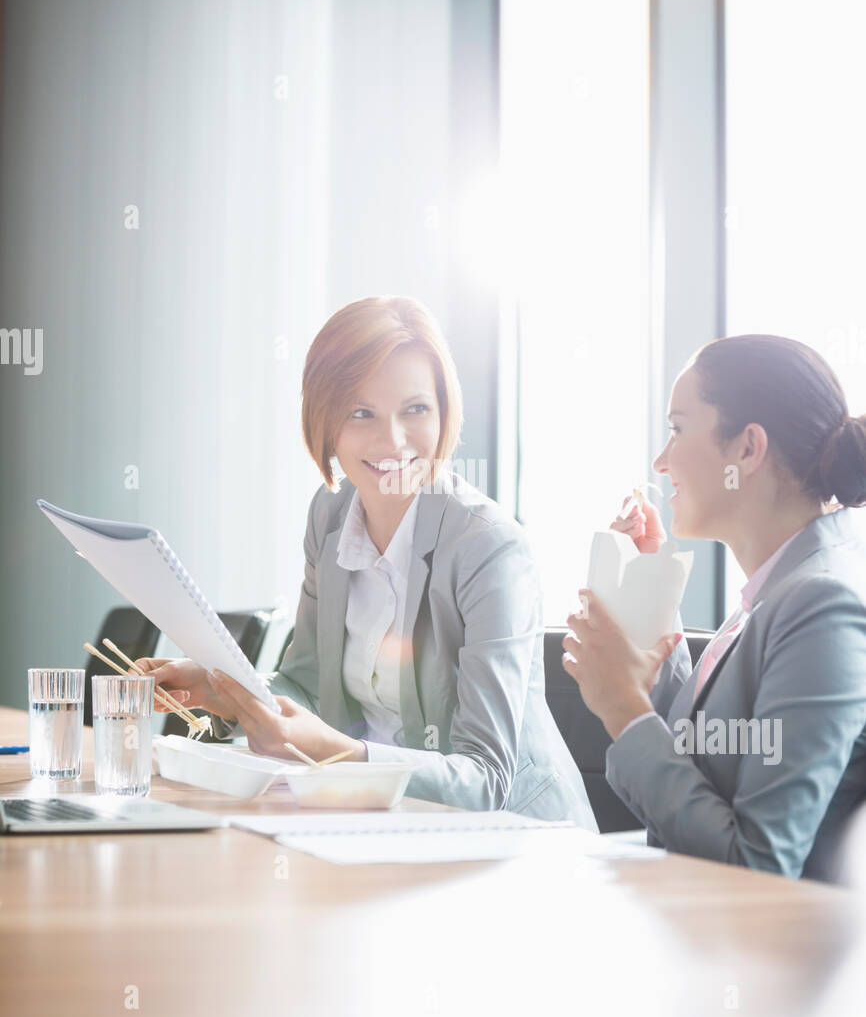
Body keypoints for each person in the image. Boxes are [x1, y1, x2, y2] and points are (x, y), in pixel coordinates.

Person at [140, 297, 599, 824]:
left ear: (444, 411)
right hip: (383, 825)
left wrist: (338, 754)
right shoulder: (331, 514)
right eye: (362, 413)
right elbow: (306, 685)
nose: (394, 441)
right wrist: (223, 689)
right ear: (326, 421)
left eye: (416, 409)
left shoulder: (488, 547)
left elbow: (485, 781)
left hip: (514, 844)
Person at [562, 334, 866, 880]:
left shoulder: (822, 603)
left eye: (677, 429)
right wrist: (649, 605)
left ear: (748, 449)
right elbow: (712, 749)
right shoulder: (784, 582)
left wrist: (623, 710)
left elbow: (757, 864)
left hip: (764, 951)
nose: (660, 461)